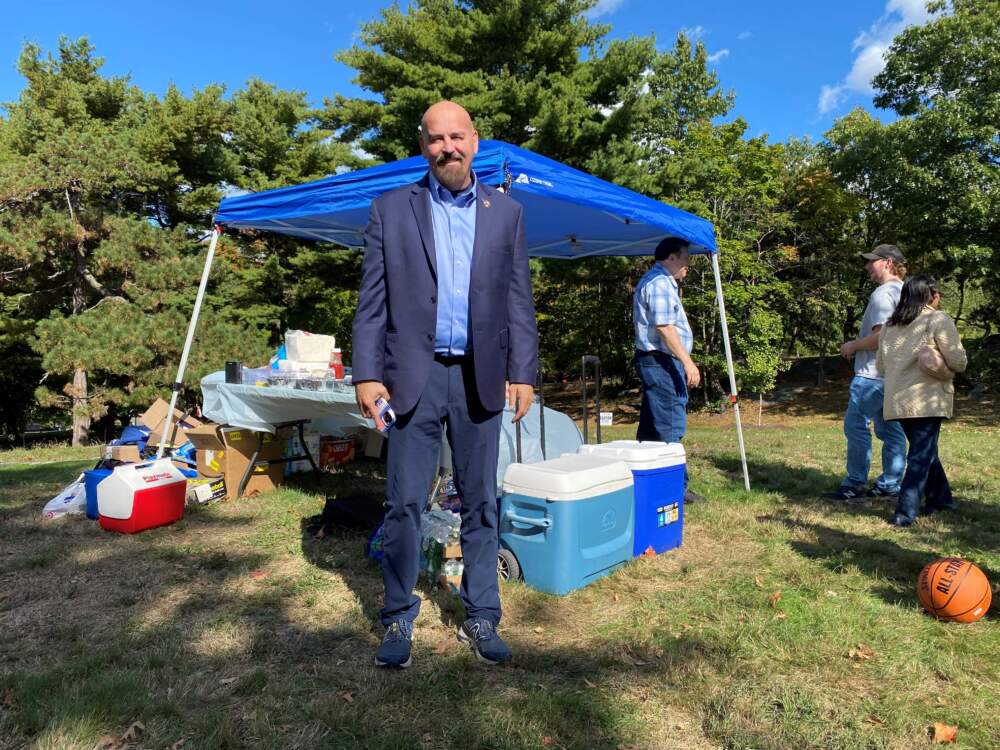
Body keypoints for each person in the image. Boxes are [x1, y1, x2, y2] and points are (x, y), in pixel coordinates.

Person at [352, 100, 538, 668]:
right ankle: (397, 617)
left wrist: (524, 372)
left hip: (482, 375)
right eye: (436, 139)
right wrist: (366, 373)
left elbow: (518, 299)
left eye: (457, 137)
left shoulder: (506, 213)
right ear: (422, 144)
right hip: (414, 377)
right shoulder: (392, 209)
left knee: (481, 501)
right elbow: (372, 301)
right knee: (404, 502)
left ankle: (483, 615)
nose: (447, 148)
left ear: (475, 141)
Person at [876, 275, 967, 527]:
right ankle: (904, 513)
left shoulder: (889, 326)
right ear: (931, 295)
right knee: (920, 455)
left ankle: (941, 500)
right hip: (926, 399)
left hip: (897, 401)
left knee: (925, 451)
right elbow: (959, 361)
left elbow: (881, 366)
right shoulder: (938, 319)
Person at [824, 244, 908, 502]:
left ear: (887, 263)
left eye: (871, 262)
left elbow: (880, 336)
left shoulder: (883, 294)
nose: (867, 267)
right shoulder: (905, 292)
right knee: (891, 430)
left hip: (872, 375)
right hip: (895, 375)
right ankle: (890, 484)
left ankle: (854, 483)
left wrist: (852, 346)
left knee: (856, 426)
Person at [633, 236, 705, 504]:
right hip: (661, 361)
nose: (688, 264)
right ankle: (675, 489)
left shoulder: (657, 280)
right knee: (670, 424)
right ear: (671, 258)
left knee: (653, 424)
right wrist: (687, 361)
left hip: (655, 361)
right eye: (686, 257)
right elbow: (665, 327)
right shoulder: (660, 283)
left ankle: (647, 481)